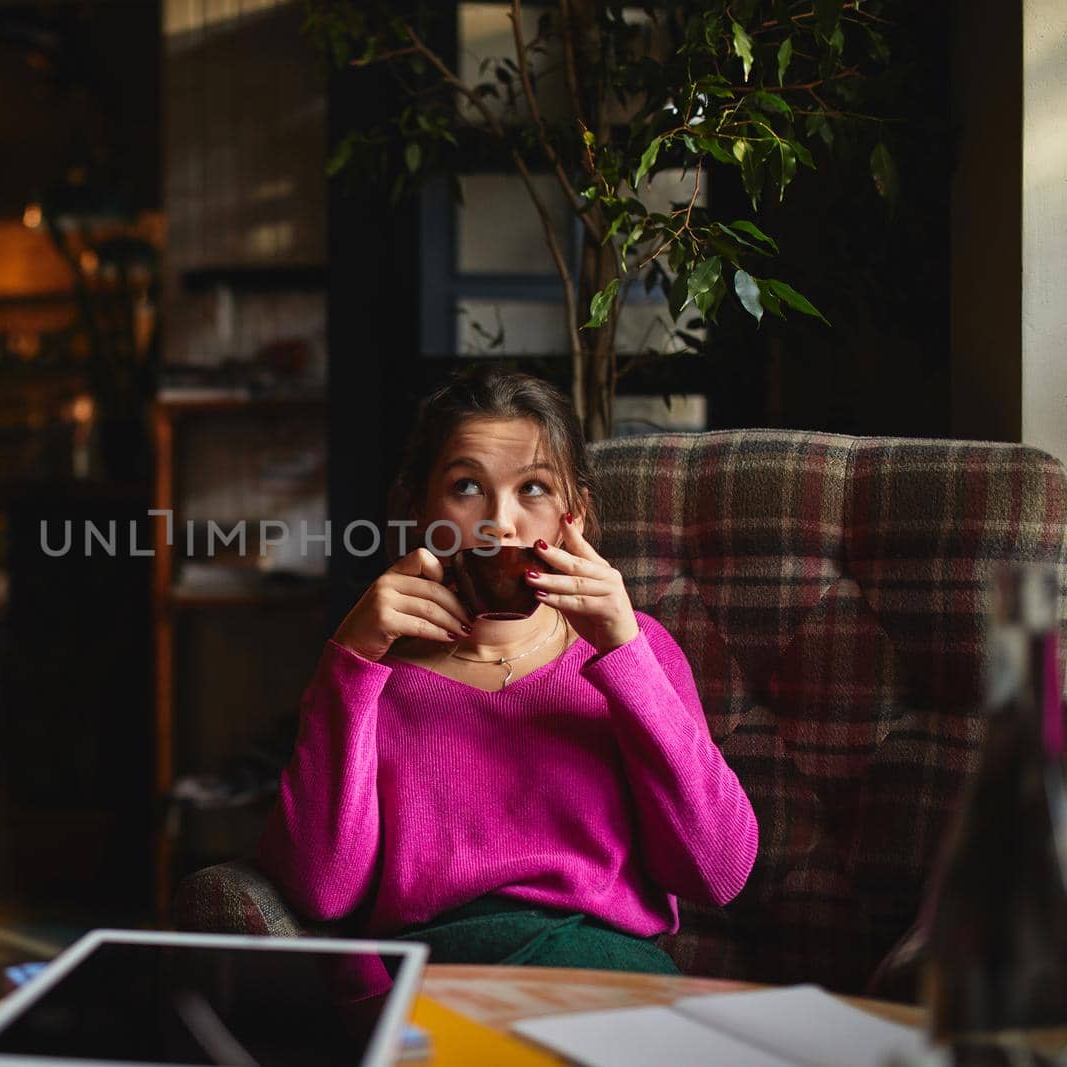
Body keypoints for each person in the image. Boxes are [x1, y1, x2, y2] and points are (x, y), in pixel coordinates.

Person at [256, 363, 758, 974]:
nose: (500, 522)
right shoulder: (373, 671)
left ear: (575, 513)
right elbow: (321, 889)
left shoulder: (637, 652)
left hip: (607, 979)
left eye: (534, 488)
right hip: (439, 983)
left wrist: (625, 652)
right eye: (466, 487)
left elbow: (718, 869)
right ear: (420, 511)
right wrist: (352, 661)